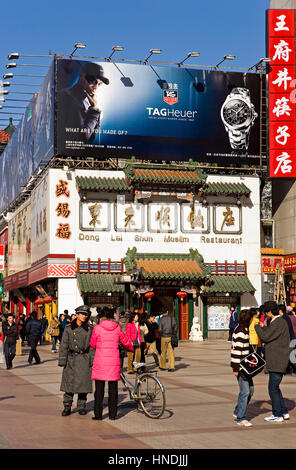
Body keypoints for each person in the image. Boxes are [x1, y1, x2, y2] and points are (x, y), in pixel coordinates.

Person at [90, 307, 133, 420]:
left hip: (100, 361)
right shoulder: (117, 328)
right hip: (113, 362)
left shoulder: (97, 328)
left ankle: (98, 414)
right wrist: (131, 348)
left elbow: (93, 343)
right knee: (113, 390)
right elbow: (126, 341)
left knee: (99, 390)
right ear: (112, 316)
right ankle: (113, 415)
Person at [58, 61, 110, 145]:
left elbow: (91, 137)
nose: (96, 87)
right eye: (93, 81)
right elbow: (82, 138)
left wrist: (94, 110)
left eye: (99, 84)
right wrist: (94, 111)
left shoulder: (86, 101)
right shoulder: (67, 97)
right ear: (82, 76)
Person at [255, 300, 290, 422]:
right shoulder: (278, 322)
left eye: (266, 312)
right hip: (279, 360)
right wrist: (264, 328)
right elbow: (270, 335)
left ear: (270, 312)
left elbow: (265, 336)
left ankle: (277, 414)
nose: (265, 314)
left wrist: (257, 327)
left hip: (277, 361)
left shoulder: (278, 322)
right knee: (276, 387)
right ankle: (284, 411)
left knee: (272, 388)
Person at [58, 305, 94, 416]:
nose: (84, 316)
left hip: (84, 359)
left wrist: (92, 361)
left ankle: (81, 406)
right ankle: (67, 406)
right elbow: (64, 345)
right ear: (77, 315)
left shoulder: (89, 329)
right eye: (82, 314)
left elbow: (92, 347)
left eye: (86, 314)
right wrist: (62, 360)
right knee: (69, 385)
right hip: (71, 359)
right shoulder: (69, 328)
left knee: (83, 385)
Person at [231, 308, 254, 427]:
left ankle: (237, 411)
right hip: (240, 367)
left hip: (245, 367)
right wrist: (235, 369)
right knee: (245, 392)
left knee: (250, 391)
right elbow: (236, 351)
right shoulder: (241, 331)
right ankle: (241, 417)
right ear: (248, 319)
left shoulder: (243, 329)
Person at [158, 308, 177, 372]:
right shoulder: (172, 318)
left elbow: (160, 329)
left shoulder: (161, 319)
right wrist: (173, 334)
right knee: (171, 352)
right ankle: (171, 366)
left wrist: (161, 334)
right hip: (171, 336)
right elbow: (175, 327)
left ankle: (162, 366)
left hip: (164, 337)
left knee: (163, 352)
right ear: (167, 311)